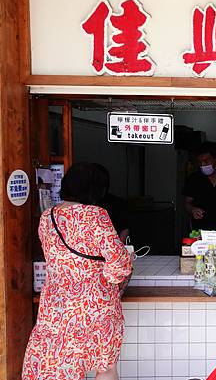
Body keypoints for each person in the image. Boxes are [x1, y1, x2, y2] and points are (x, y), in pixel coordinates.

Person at [22, 163, 133, 380]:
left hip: (56, 306)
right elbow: (118, 266)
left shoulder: (47, 217)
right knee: (105, 367)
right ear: (96, 190)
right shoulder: (95, 215)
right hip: (95, 306)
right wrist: (122, 265)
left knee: (62, 369)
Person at [183, 142, 216, 231]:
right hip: (200, 230)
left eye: (206, 161)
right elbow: (187, 203)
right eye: (200, 162)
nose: (203, 165)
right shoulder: (194, 179)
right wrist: (192, 209)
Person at [94, 163, 130, 243]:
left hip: (112, 248)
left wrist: (118, 249)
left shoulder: (117, 203)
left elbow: (124, 229)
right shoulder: (82, 204)